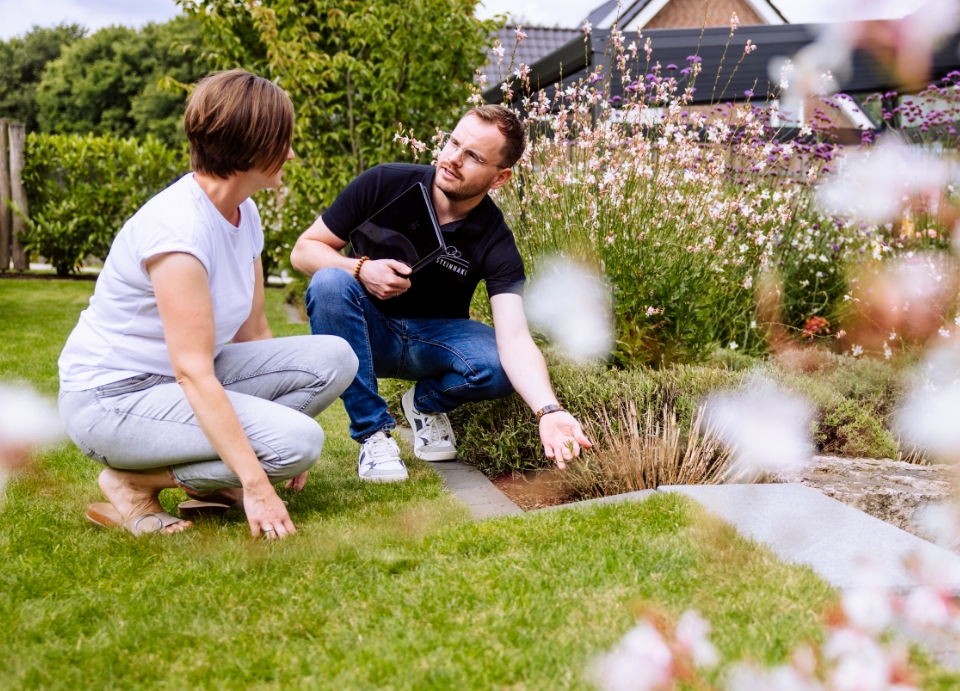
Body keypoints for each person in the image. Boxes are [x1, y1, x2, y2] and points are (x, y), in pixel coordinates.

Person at [58, 70, 358, 538]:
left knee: (336, 356)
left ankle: (214, 482)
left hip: (181, 383)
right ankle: (130, 483)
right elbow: (193, 372)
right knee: (298, 443)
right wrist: (260, 476)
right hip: (114, 401)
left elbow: (254, 332)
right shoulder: (179, 232)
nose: (292, 153)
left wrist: (273, 435)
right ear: (249, 145)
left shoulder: (245, 210)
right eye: (283, 141)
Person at [291, 104, 590, 482]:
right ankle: (374, 435)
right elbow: (304, 250)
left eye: (472, 156)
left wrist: (549, 411)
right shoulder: (384, 183)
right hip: (367, 331)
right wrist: (361, 269)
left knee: (497, 366)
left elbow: (514, 337)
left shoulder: (496, 240)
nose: (452, 159)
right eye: (453, 143)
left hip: (431, 343)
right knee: (329, 282)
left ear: (500, 178)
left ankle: (422, 404)